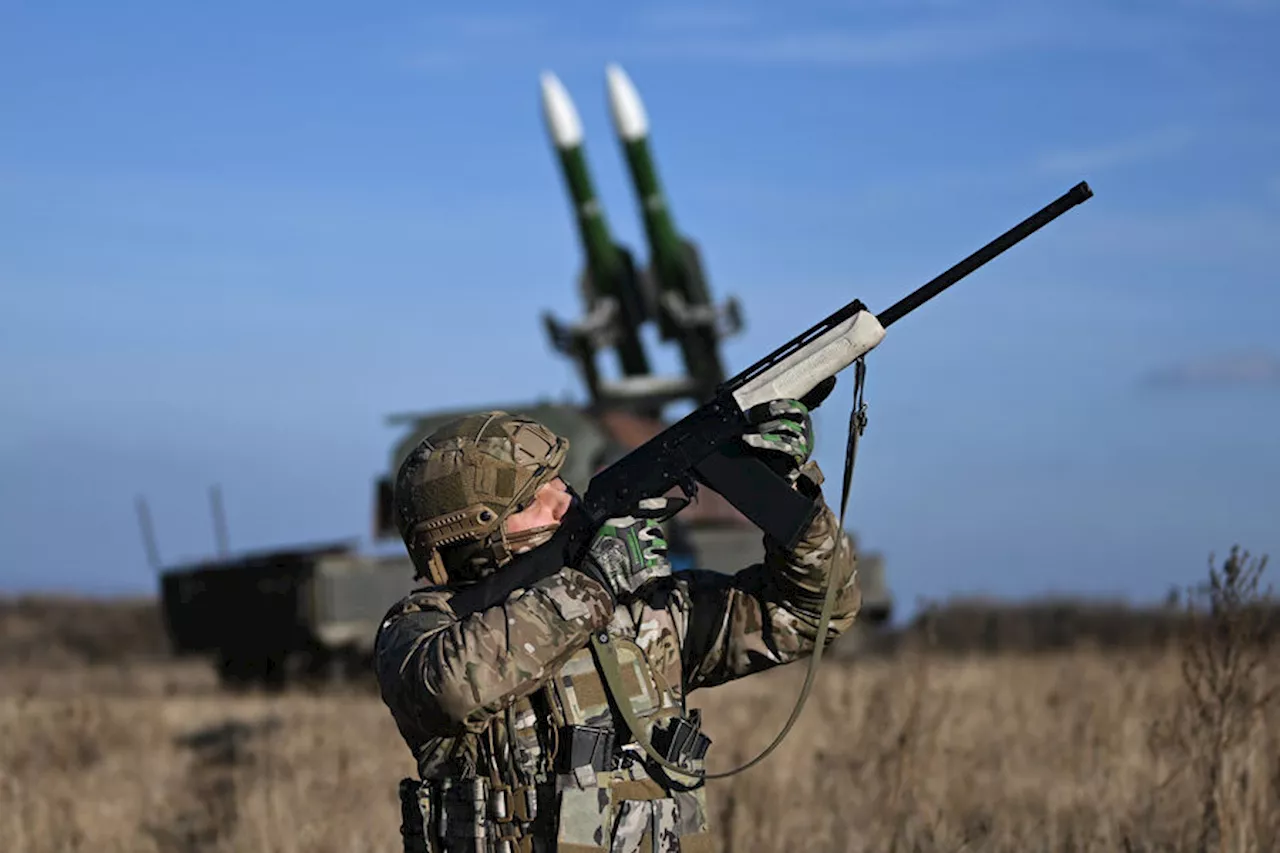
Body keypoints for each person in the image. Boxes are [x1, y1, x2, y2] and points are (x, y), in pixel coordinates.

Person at [375, 402, 862, 853]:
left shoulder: (645, 615)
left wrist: (783, 495)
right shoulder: (423, 627)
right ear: (474, 532)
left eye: (558, 479)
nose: (564, 499)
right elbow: (450, 688)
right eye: (532, 498)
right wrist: (590, 585)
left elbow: (812, 614)